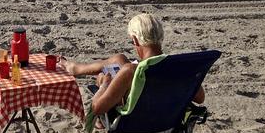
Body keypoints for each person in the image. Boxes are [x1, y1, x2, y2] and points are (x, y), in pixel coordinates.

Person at [60, 13, 205, 116]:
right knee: (119, 59)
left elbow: (97, 108)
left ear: (135, 41)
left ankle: (77, 69)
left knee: (112, 72)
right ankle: (76, 68)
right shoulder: (179, 67)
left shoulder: (130, 71)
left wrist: (104, 84)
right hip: (167, 118)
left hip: (137, 122)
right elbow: (200, 98)